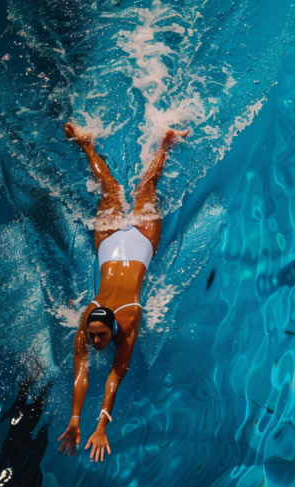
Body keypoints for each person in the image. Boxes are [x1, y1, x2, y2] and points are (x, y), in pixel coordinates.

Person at [57, 124, 187, 462]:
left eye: (99, 338)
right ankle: (96, 144)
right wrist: (75, 419)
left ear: (112, 326)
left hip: (114, 244)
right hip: (136, 244)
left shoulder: (129, 318)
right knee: (137, 190)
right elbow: (81, 372)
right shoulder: (87, 323)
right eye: (95, 337)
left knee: (115, 189)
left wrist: (101, 424)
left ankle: (163, 142)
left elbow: (116, 373)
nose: (97, 343)